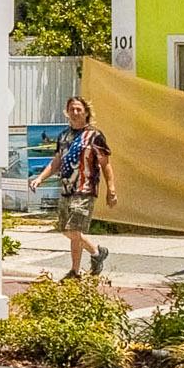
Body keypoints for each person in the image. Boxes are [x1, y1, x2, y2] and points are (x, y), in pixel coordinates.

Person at [35, 93, 113, 281]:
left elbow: (105, 164)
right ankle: (90, 258)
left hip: (85, 189)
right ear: (67, 113)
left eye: (79, 109)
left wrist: (111, 189)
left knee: (75, 230)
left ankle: (82, 264)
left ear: (86, 112)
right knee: (66, 230)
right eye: (72, 110)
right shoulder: (63, 136)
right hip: (66, 189)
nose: (75, 113)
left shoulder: (94, 136)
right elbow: (56, 162)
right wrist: (40, 178)